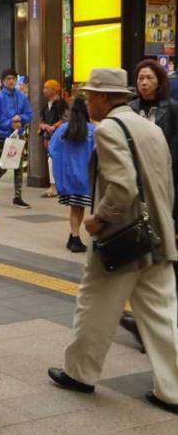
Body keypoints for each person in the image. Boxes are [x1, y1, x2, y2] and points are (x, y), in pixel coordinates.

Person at [48, 68, 178, 416]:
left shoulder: (109, 129)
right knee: (163, 316)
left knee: (93, 306)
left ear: (106, 97)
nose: (87, 101)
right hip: (157, 236)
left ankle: (80, 373)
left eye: (91, 95)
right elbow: (165, 182)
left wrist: (98, 218)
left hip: (123, 240)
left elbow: (121, 188)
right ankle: (174, 391)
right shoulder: (150, 127)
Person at [120, 59, 178, 349]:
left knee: (161, 260)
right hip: (136, 193)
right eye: (140, 78)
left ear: (159, 81)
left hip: (163, 191)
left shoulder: (172, 109)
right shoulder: (129, 110)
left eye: (149, 78)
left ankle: (154, 326)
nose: (143, 83)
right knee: (142, 257)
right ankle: (147, 324)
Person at [49, 96, 95, 253]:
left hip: (69, 177)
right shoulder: (93, 130)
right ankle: (75, 238)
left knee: (76, 207)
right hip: (86, 178)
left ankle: (72, 236)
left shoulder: (63, 129)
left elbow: (53, 150)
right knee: (79, 207)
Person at [0, 68, 32, 209]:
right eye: (8, 79)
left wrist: (20, 118)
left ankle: (18, 196)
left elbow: (29, 114)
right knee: (4, 166)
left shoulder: (21, 96)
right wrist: (10, 122)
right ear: (3, 81)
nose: (11, 81)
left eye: (13, 79)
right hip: (4, 137)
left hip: (18, 137)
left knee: (18, 167)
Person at [39, 79, 68, 198]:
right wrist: (43, 126)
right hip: (49, 136)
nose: (44, 90)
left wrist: (54, 126)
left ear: (55, 90)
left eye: (47, 88)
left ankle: (55, 186)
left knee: (54, 160)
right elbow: (41, 119)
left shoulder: (62, 103)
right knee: (51, 160)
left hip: (59, 136)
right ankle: (54, 185)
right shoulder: (46, 105)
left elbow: (66, 119)